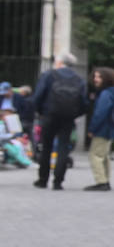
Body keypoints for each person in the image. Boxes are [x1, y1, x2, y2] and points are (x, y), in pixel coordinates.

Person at [32, 52, 88, 190]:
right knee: (63, 147)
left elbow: (38, 96)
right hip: (68, 118)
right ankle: (58, 181)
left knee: (46, 147)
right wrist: (74, 114)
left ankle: (43, 179)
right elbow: (84, 103)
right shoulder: (79, 79)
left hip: (49, 115)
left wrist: (41, 112)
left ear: (59, 62)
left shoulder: (49, 75)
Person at [85, 67, 114, 191]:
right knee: (104, 156)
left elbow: (100, 113)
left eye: (99, 77)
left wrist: (92, 129)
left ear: (107, 79)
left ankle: (101, 181)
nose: (96, 79)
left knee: (95, 155)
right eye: (95, 76)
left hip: (102, 129)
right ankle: (105, 180)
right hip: (111, 128)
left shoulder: (106, 94)